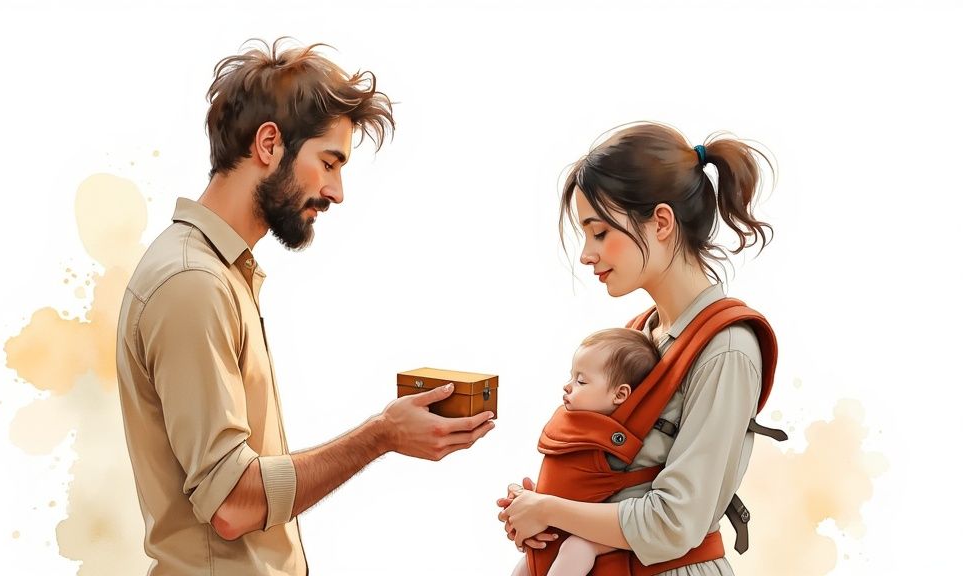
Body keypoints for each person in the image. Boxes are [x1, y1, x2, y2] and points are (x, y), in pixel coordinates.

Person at [115, 38, 495, 576]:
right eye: (329, 162)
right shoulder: (192, 284)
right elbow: (232, 504)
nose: (337, 192)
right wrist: (381, 436)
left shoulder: (217, 273)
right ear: (269, 144)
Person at [498, 121, 778, 576]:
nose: (586, 254)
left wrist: (549, 509)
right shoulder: (642, 335)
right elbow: (620, 486)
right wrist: (542, 511)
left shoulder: (727, 349)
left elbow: (674, 521)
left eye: (599, 232)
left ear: (661, 222)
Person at [510, 328, 660, 576]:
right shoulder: (578, 427)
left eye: (581, 381)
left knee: (577, 547)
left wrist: (544, 507)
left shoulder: (616, 442)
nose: (567, 386)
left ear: (620, 394)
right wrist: (529, 501)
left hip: (601, 529)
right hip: (557, 524)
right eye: (571, 377)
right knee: (524, 566)